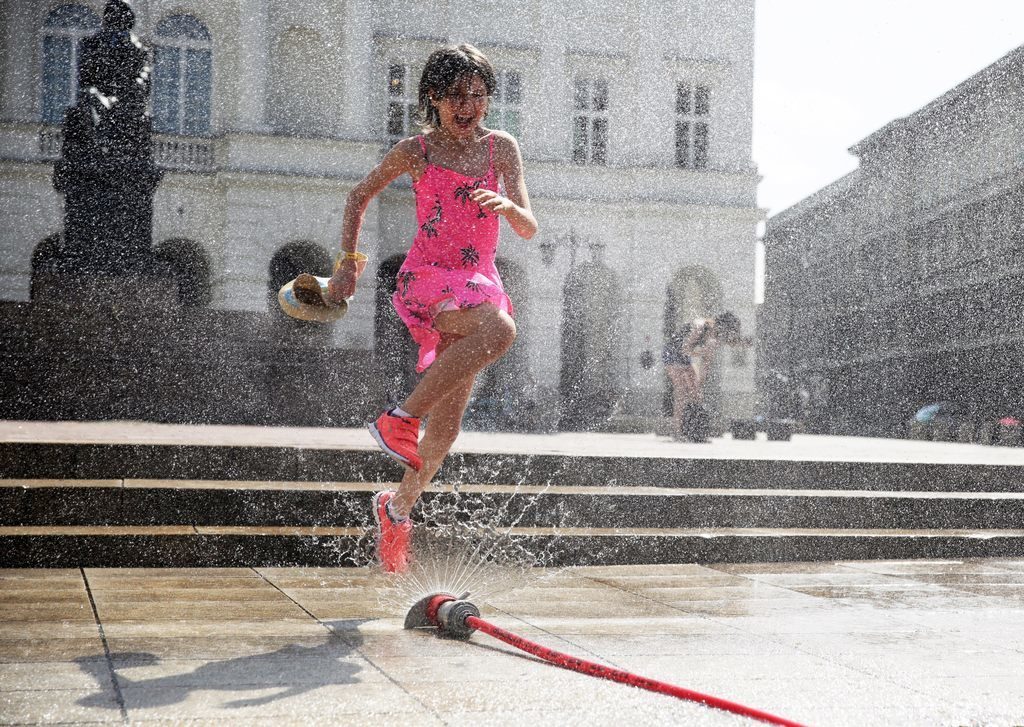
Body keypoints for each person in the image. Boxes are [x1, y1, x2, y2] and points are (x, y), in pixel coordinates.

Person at [326, 44, 538, 573]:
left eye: (477, 95)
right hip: (429, 281)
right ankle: (399, 417)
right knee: (501, 330)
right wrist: (349, 263)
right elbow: (358, 196)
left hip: (479, 282)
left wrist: (509, 206)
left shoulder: (502, 149)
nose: (467, 106)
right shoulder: (415, 152)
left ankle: (396, 511)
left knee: (445, 434)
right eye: (453, 96)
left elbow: (530, 226)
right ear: (433, 100)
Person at [664, 312, 741, 441]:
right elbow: (684, 349)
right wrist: (703, 351)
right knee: (682, 393)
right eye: (726, 332)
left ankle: (695, 431)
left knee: (697, 395)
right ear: (720, 326)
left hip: (685, 358)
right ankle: (677, 433)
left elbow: (706, 365)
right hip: (672, 354)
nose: (724, 336)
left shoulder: (714, 338)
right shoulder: (700, 326)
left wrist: (699, 384)